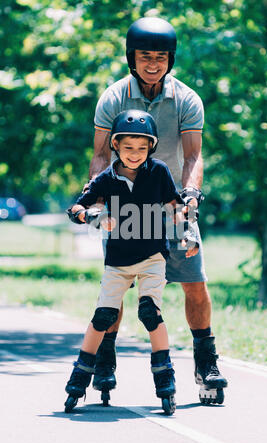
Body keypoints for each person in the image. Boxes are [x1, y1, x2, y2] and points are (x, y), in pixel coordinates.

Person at [86, 17, 227, 405]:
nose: (153, 64)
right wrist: (97, 199)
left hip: (171, 203)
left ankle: (205, 361)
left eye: (160, 57)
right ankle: (105, 357)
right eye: (145, 56)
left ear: (170, 60)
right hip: (127, 207)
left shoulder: (187, 99)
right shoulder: (113, 97)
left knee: (194, 282)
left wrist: (191, 194)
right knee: (117, 286)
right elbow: (100, 155)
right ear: (132, 58)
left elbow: (193, 154)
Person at [64, 109, 198, 414]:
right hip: (118, 262)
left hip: (152, 258)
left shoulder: (159, 171)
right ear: (115, 146)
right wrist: (93, 216)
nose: (134, 154)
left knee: (150, 312)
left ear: (150, 147)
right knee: (102, 317)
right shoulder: (106, 179)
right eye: (128, 148)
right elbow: (75, 209)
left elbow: (176, 206)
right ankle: (80, 375)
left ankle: (164, 377)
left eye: (141, 148)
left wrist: (188, 229)